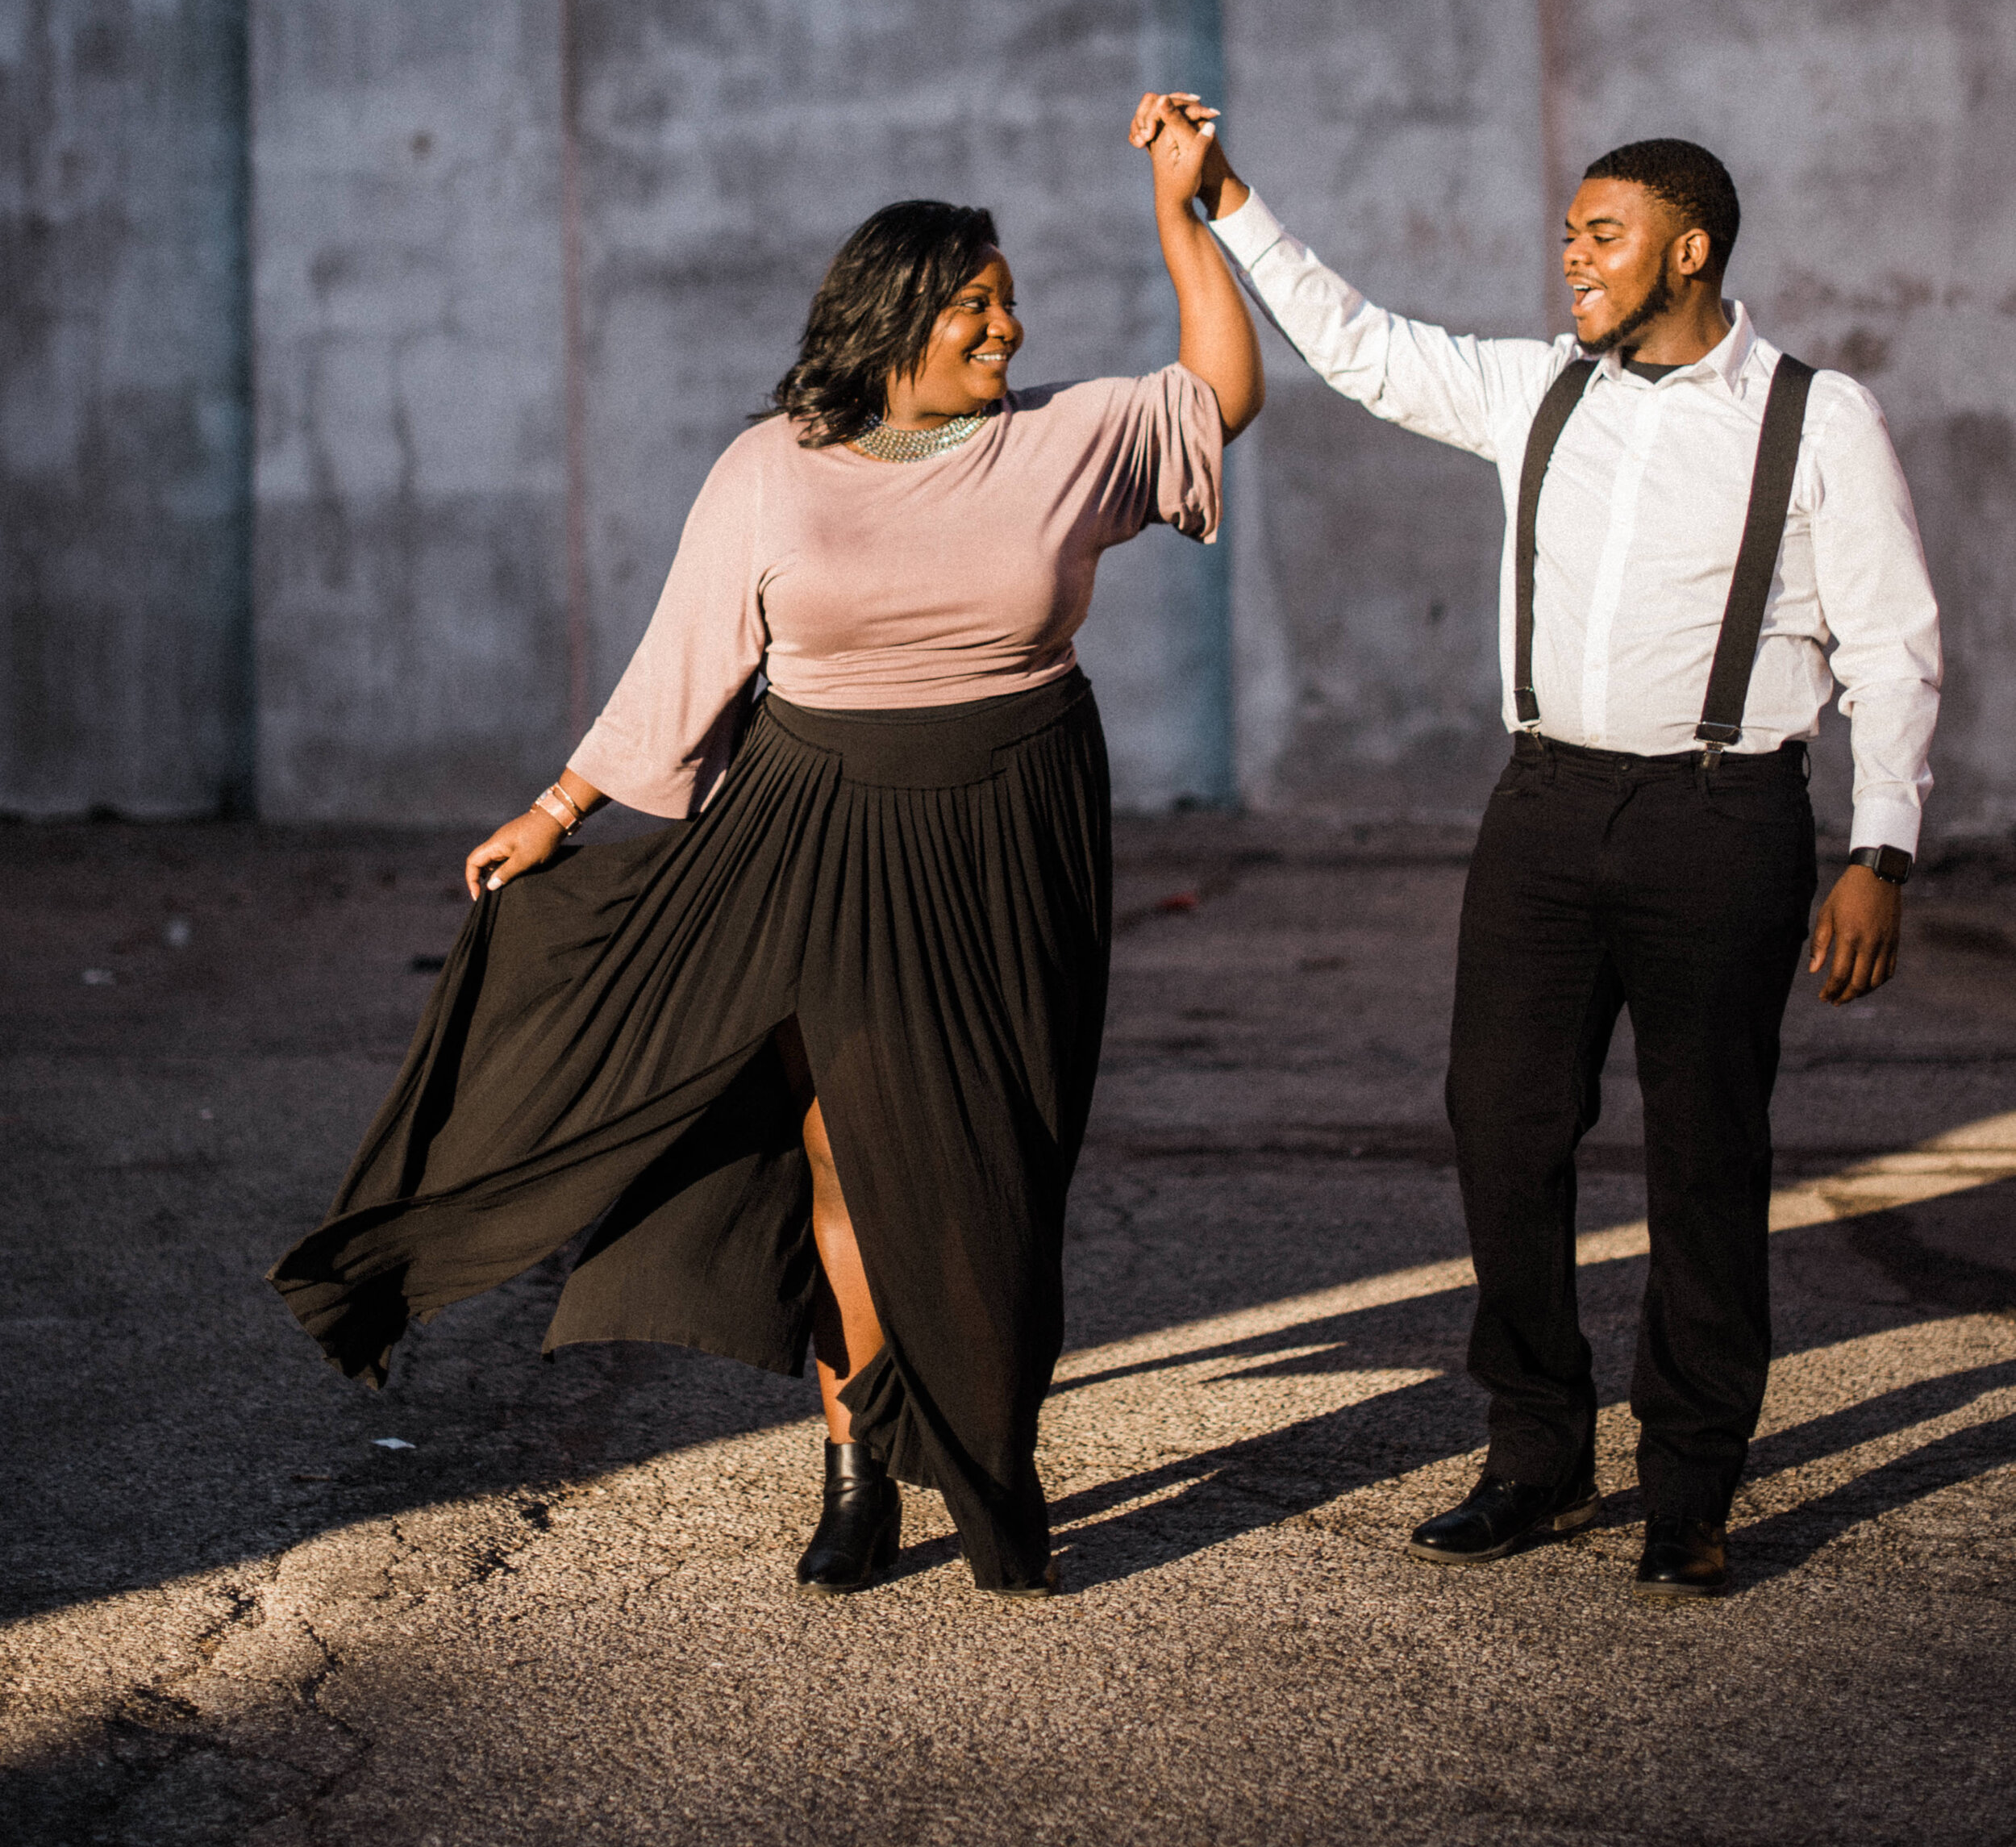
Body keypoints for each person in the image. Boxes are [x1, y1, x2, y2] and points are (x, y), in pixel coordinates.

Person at [271, 119, 1261, 1598]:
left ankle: (988, 1429)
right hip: (816, 826)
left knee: (1000, 1161)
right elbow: (687, 659)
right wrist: (557, 809)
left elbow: (1223, 395)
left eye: (1011, 297)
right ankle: (860, 1461)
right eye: (977, 301)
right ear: (896, 314)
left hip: (1013, 822)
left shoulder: (1072, 433)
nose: (1011, 323)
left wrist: (1182, 215)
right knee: (845, 1153)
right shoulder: (770, 468)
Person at [1132, 95, 1940, 1596]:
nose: (1571, 255)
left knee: (1708, 1155)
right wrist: (1228, 192)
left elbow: (1895, 646)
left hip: (1723, 815)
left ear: (1689, 250)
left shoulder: (1817, 418)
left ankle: (1690, 1484)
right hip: (1548, 811)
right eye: (1569, 231)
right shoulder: (1536, 390)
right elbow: (1359, 343)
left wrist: (1880, 850)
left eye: (1603, 234)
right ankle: (1534, 1448)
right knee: (1501, 1124)